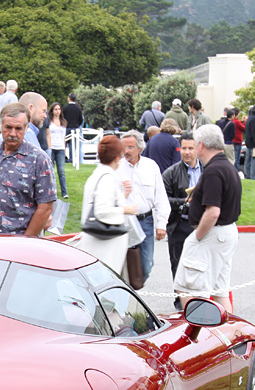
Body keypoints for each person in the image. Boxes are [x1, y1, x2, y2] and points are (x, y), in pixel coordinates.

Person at [173, 124, 240, 313]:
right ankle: (225, 333)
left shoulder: (213, 171)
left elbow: (213, 212)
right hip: (226, 232)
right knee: (220, 290)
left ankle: (201, 333)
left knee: (189, 287)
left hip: (213, 233)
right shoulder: (227, 166)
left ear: (201, 145)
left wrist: (197, 237)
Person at [0, 102, 56, 235]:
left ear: (26, 128)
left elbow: (46, 208)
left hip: (16, 243)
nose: (13, 133)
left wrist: (25, 241)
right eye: (8, 127)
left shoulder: (39, 160)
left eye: (18, 128)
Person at [78, 134, 142, 277]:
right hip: (105, 246)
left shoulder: (98, 175)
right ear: (117, 157)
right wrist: (126, 209)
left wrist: (123, 195)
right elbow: (102, 210)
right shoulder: (107, 178)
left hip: (98, 244)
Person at [116, 130, 170, 283]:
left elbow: (160, 197)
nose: (126, 151)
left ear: (140, 148)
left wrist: (161, 224)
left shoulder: (151, 166)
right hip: (123, 222)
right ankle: (126, 297)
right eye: (124, 147)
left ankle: (132, 289)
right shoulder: (116, 168)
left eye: (131, 147)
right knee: (122, 265)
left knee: (146, 266)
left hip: (145, 221)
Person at [162, 132, 203, 303]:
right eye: (183, 148)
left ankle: (201, 298)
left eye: (190, 148)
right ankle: (181, 301)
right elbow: (162, 200)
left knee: (201, 264)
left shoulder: (208, 169)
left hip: (202, 224)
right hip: (179, 224)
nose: (186, 152)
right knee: (178, 264)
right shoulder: (171, 173)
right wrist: (183, 201)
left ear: (197, 148)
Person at [47, 102, 68, 198]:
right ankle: (52, 190)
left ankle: (64, 192)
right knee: (50, 171)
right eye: (55, 109)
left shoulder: (63, 122)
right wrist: (49, 147)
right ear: (52, 110)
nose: (57, 111)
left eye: (59, 109)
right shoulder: (49, 121)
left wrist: (64, 147)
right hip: (52, 147)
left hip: (60, 148)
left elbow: (63, 136)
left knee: (61, 171)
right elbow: (48, 135)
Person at [62, 93, 83, 165]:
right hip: (75, 128)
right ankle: (71, 159)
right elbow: (81, 119)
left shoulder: (64, 108)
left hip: (66, 128)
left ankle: (63, 157)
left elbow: (62, 118)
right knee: (72, 145)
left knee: (63, 144)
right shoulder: (78, 108)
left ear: (69, 98)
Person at [243, 105, 255, 180]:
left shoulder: (249, 119)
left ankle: (247, 175)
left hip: (248, 143)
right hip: (253, 144)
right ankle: (253, 176)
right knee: (254, 160)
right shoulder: (254, 120)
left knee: (248, 160)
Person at [230, 108, 245, 172]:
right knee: (236, 159)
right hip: (238, 141)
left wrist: (241, 121)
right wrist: (245, 121)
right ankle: (235, 172)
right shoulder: (237, 122)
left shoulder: (231, 121)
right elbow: (244, 128)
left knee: (231, 158)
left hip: (231, 142)